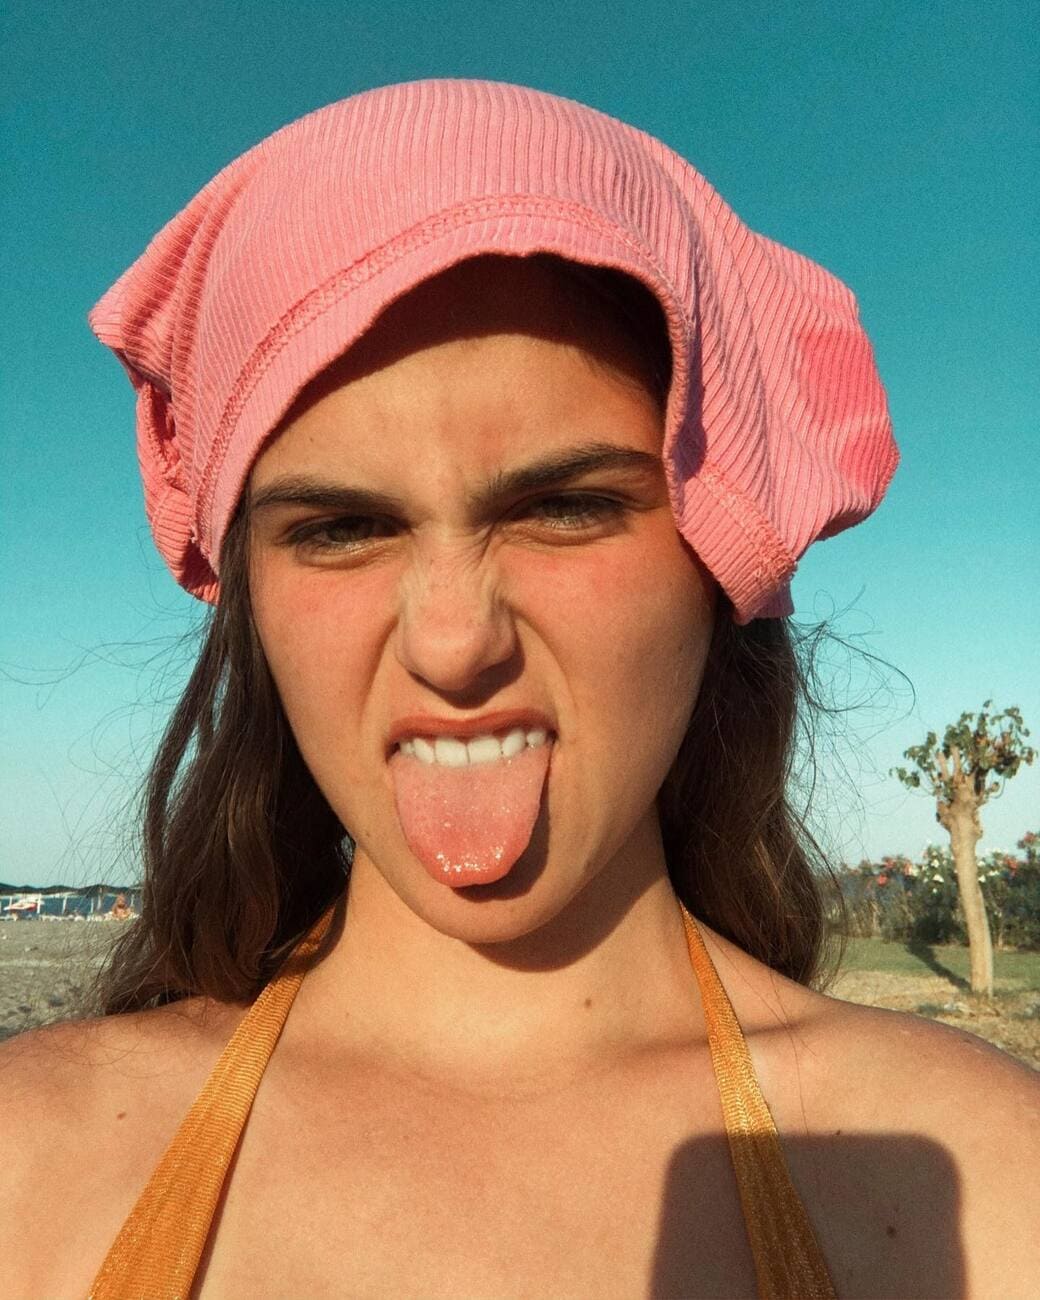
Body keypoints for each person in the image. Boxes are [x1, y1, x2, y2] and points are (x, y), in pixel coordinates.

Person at [2, 79, 1037, 1300]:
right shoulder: (30, 1159)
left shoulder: (984, 1176)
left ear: (719, 562)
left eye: (563, 507)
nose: (451, 644)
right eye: (340, 527)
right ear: (252, 601)